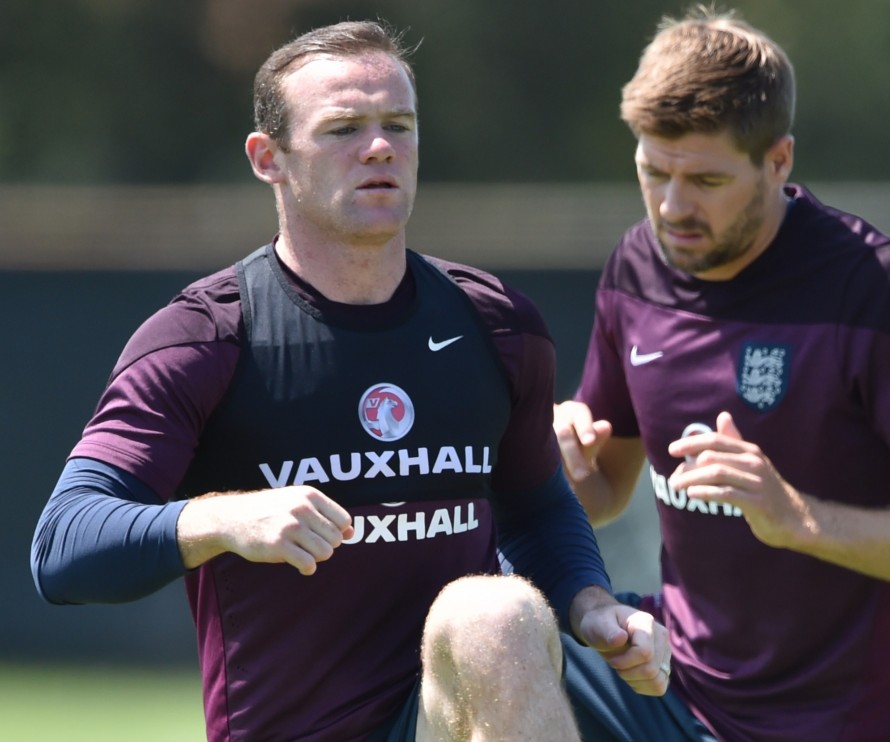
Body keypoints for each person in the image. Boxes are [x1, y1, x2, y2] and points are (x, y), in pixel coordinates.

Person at [30, 20, 671, 742]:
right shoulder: (206, 337)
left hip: (441, 719)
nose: (380, 147)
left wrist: (591, 605)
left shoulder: (496, 329)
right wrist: (226, 520)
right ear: (269, 158)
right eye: (343, 129)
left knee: (496, 617)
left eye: (399, 124)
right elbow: (64, 546)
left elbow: (538, 508)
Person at [554, 6, 890, 742]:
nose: (673, 207)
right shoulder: (636, 266)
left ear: (779, 160)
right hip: (671, 683)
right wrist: (563, 458)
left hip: (831, 723)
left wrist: (794, 517)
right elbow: (605, 490)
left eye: (706, 178)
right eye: (653, 172)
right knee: (489, 635)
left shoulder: (877, 288)